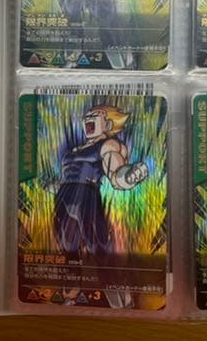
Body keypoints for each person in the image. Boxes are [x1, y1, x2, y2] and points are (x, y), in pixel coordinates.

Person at [53, 105, 148, 308]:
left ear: (108, 124)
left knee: (100, 251)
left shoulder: (108, 144)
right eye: (88, 116)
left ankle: (121, 302)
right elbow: (67, 174)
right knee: (69, 252)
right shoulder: (74, 150)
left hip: (87, 197)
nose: (89, 118)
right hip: (63, 198)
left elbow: (115, 172)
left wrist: (126, 177)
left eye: (96, 116)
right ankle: (70, 297)